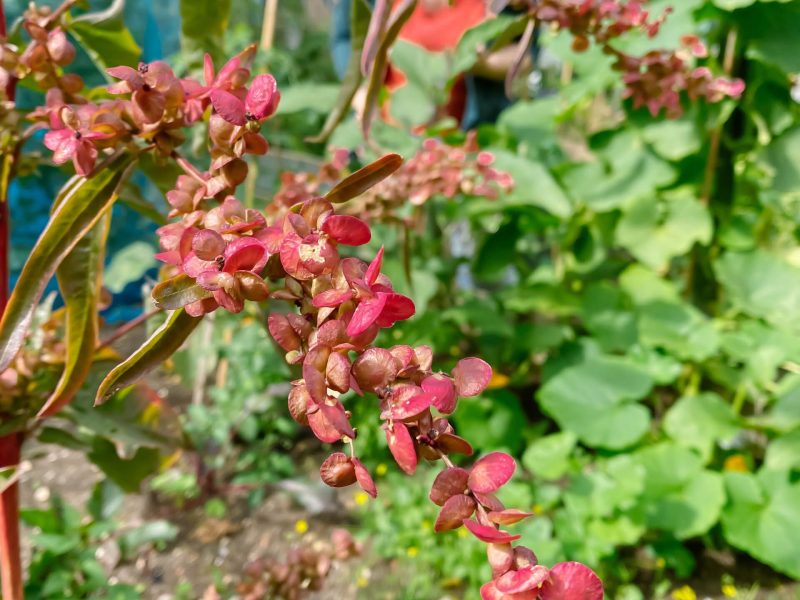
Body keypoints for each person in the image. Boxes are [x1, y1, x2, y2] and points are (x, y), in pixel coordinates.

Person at [329, 0, 530, 130]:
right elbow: (345, 39)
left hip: (462, 138)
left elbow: (526, 56)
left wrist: (482, 62)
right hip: (385, 135)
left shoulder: (497, 6)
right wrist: (361, 94)